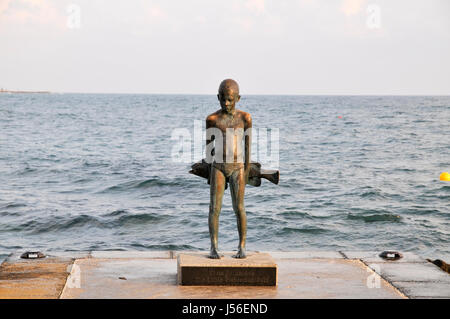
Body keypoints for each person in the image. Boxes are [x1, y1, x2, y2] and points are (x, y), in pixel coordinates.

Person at [205, 79, 252, 259]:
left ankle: (242, 246)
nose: (226, 103)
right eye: (223, 99)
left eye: (230, 100)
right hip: (217, 167)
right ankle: (214, 246)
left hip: (237, 168)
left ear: (238, 99)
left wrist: (246, 173)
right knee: (214, 208)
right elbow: (208, 149)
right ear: (218, 97)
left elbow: (248, 149)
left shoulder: (244, 118)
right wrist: (209, 173)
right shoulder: (212, 119)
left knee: (239, 207)